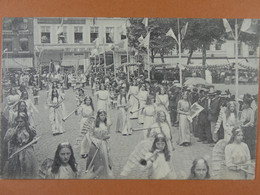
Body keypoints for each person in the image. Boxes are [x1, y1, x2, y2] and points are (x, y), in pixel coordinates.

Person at [3, 115, 38, 179]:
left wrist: (35, 139)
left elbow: (34, 137)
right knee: (17, 167)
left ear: (25, 121)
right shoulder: (13, 130)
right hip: (16, 150)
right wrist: (14, 132)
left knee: (28, 166)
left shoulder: (29, 129)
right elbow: (6, 139)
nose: (19, 123)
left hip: (27, 150)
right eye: (17, 121)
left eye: (21, 121)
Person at [82, 110, 114, 179]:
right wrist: (95, 141)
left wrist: (106, 137)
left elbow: (109, 134)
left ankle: (105, 171)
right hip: (95, 143)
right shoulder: (94, 124)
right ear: (98, 116)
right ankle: (94, 171)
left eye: (104, 115)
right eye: (101, 115)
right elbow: (90, 134)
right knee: (95, 158)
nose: (103, 117)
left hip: (104, 143)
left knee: (104, 157)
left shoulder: (107, 124)